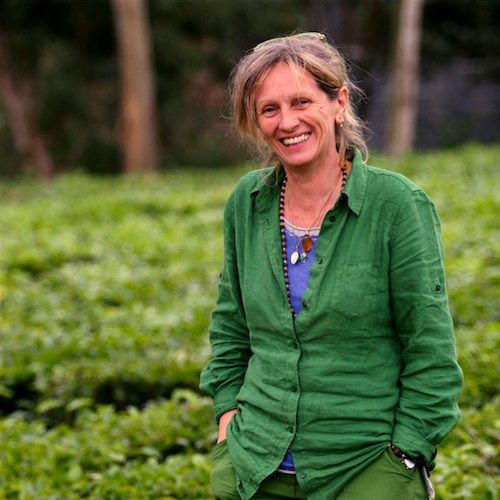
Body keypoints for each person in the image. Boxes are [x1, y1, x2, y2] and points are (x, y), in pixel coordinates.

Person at [199, 32, 463, 500]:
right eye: (269, 109)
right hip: (255, 466)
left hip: (365, 468)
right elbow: (231, 327)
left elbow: (431, 351)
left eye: (302, 101)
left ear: (339, 102)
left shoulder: (396, 205)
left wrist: (406, 457)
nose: (287, 122)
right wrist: (227, 427)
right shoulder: (247, 202)